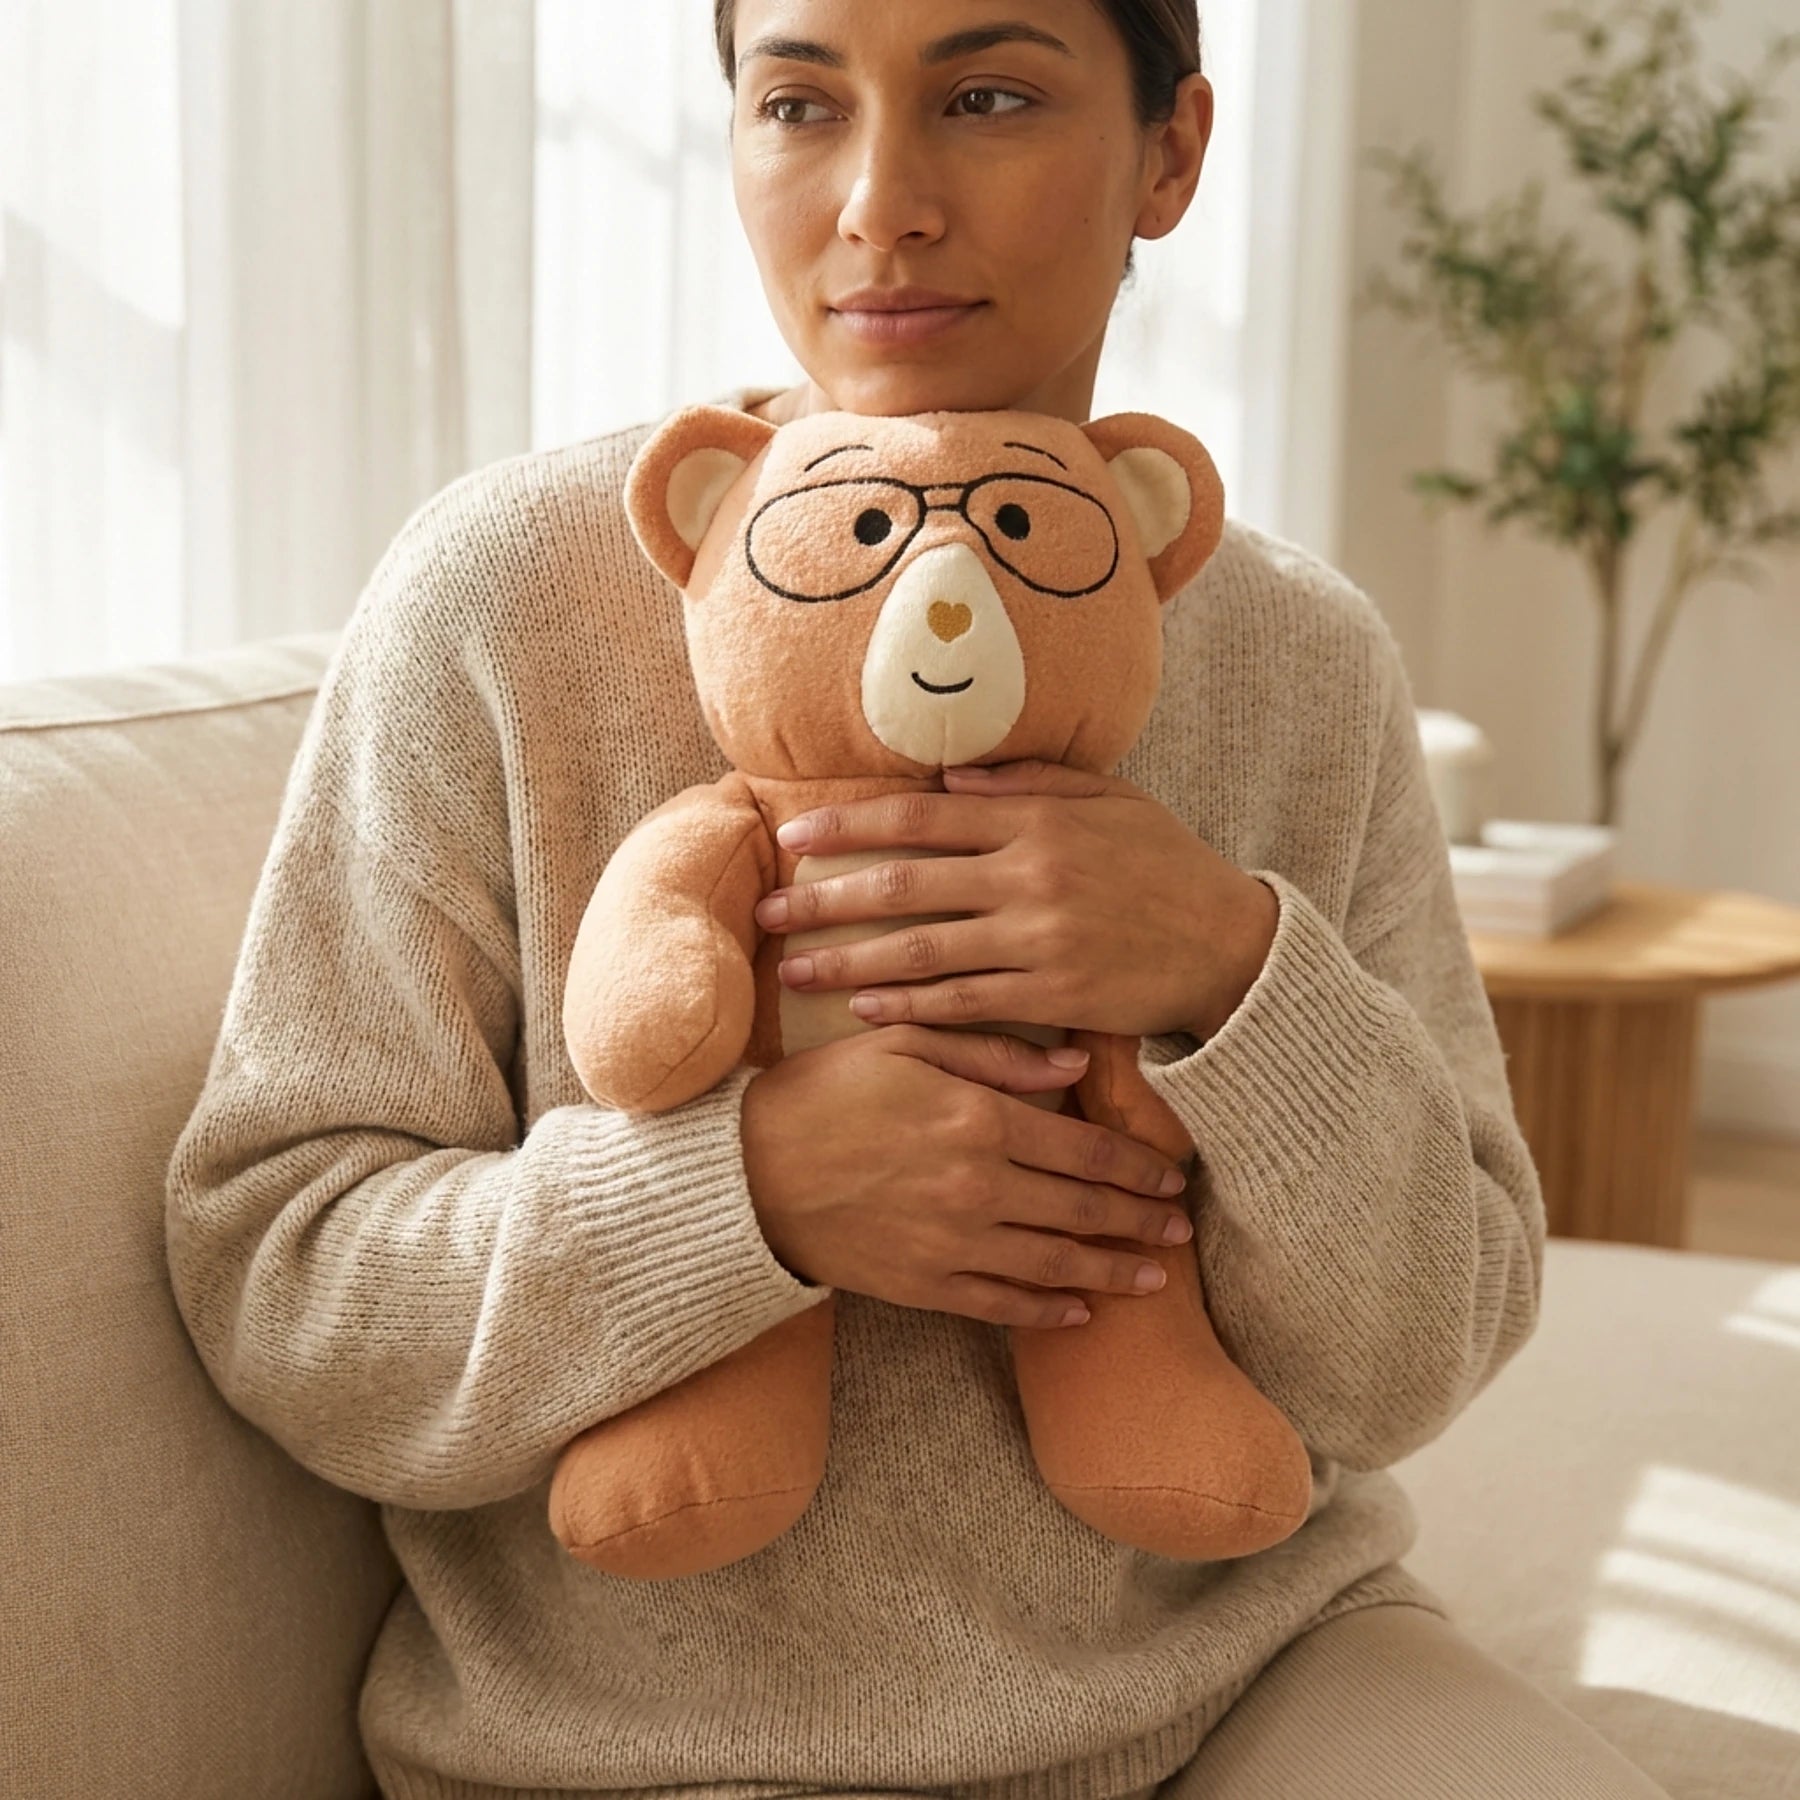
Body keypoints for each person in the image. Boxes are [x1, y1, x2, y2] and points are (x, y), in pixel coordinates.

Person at [162, 2, 1676, 1797]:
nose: (879, 200)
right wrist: (748, 1193)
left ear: (1169, 154)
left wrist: (1226, 962)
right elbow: (285, 1282)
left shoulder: (1295, 654)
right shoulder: (505, 604)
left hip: (1255, 1697)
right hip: (644, 1762)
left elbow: (1424, 1351)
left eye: (988, 95)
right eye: (798, 103)